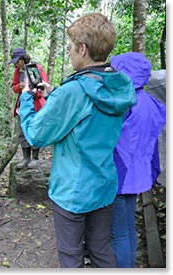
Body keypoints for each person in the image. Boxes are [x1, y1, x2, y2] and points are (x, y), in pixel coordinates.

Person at [18, 13, 136, 268]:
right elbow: (93, 113)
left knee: (71, 256)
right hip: (104, 185)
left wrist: (27, 99)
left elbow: (36, 135)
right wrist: (55, 94)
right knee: (101, 248)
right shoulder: (121, 85)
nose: (69, 52)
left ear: (82, 49)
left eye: (71, 47)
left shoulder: (74, 91)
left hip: (73, 191)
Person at [109, 52, 166, 268]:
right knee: (129, 227)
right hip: (140, 173)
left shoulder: (123, 103)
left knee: (118, 233)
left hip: (120, 174)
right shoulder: (152, 102)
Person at [9, 47, 49, 169]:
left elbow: (43, 87)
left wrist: (31, 91)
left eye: (17, 61)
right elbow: (14, 87)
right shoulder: (17, 71)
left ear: (22, 59)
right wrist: (20, 87)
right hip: (22, 105)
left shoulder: (36, 68)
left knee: (35, 130)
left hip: (36, 105)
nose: (15, 64)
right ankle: (26, 157)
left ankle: (35, 158)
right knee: (22, 132)